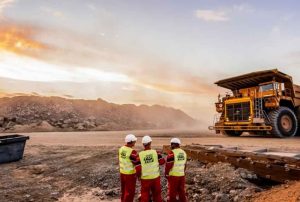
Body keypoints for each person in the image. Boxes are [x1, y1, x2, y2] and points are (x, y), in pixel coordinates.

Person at [136, 135, 165, 202]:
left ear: (143, 144)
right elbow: (162, 162)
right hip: (155, 177)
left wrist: (138, 176)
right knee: (157, 195)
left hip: (145, 179)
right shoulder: (156, 153)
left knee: (145, 194)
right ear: (150, 143)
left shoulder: (139, 155)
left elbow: (138, 168)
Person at [165, 138, 187, 202]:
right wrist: (183, 172)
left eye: (171, 144)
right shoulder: (183, 152)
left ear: (174, 144)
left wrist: (166, 173)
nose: (171, 146)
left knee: (172, 192)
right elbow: (185, 164)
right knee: (182, 191)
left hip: (173, 176)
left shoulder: (172, 153)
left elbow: (169, 165)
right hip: (182, 175)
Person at [119, 134, 138, 202]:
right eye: (134, 141)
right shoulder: (132, 151)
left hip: (122, 173)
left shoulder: (121, 149)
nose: (135, 142)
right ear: (132, 142)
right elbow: (136, 162)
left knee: (123, 190)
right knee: (130, 192)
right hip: (130, 175)